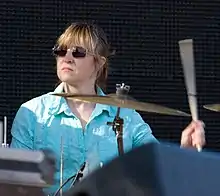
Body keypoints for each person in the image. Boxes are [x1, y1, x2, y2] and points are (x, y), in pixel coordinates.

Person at [10, 21, 205, 195]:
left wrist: (184, 151)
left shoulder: (126, 117)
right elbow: (16, 183)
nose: (67, 57)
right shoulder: (32, 114)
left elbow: (154, 170)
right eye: (61, 50)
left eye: (78, 52)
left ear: (99, 63)